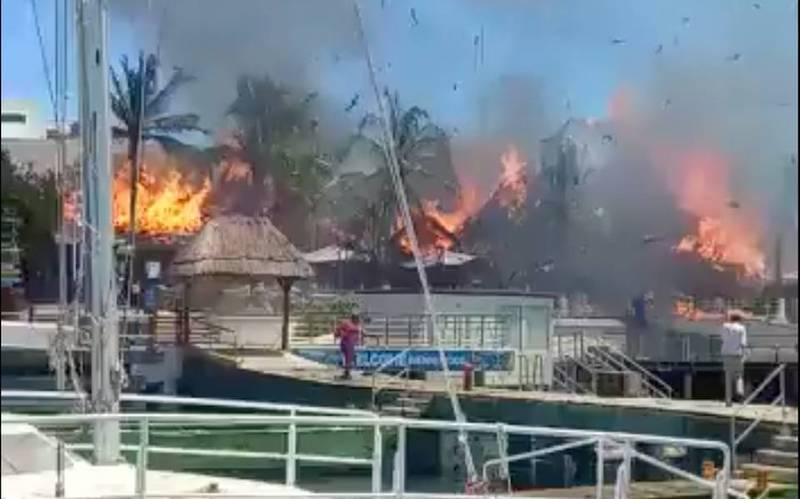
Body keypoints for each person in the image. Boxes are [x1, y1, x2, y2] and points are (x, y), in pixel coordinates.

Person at [721, 313, 748, 407]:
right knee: (739, 376)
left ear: (731, 319)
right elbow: (743, 343)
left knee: (728, 377)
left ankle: (728, 401)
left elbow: (723, 338)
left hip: (726, 354)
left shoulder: (725, 327)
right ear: (739, 320)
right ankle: (740, 395)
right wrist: (745, 354)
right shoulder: (742, 328)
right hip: (738, 354)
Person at [334, 314, 361, 380]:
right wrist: (340, 334)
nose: (357, 320)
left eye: (357, 319)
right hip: (346, 342)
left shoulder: (357, 325)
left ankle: (347, 372)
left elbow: (358, 333)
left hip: (352, 343)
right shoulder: (347, 323)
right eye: (356, 318)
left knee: (350, 358)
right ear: (353, 318)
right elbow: (338, 329)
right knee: (348, 358)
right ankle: (347, 373)